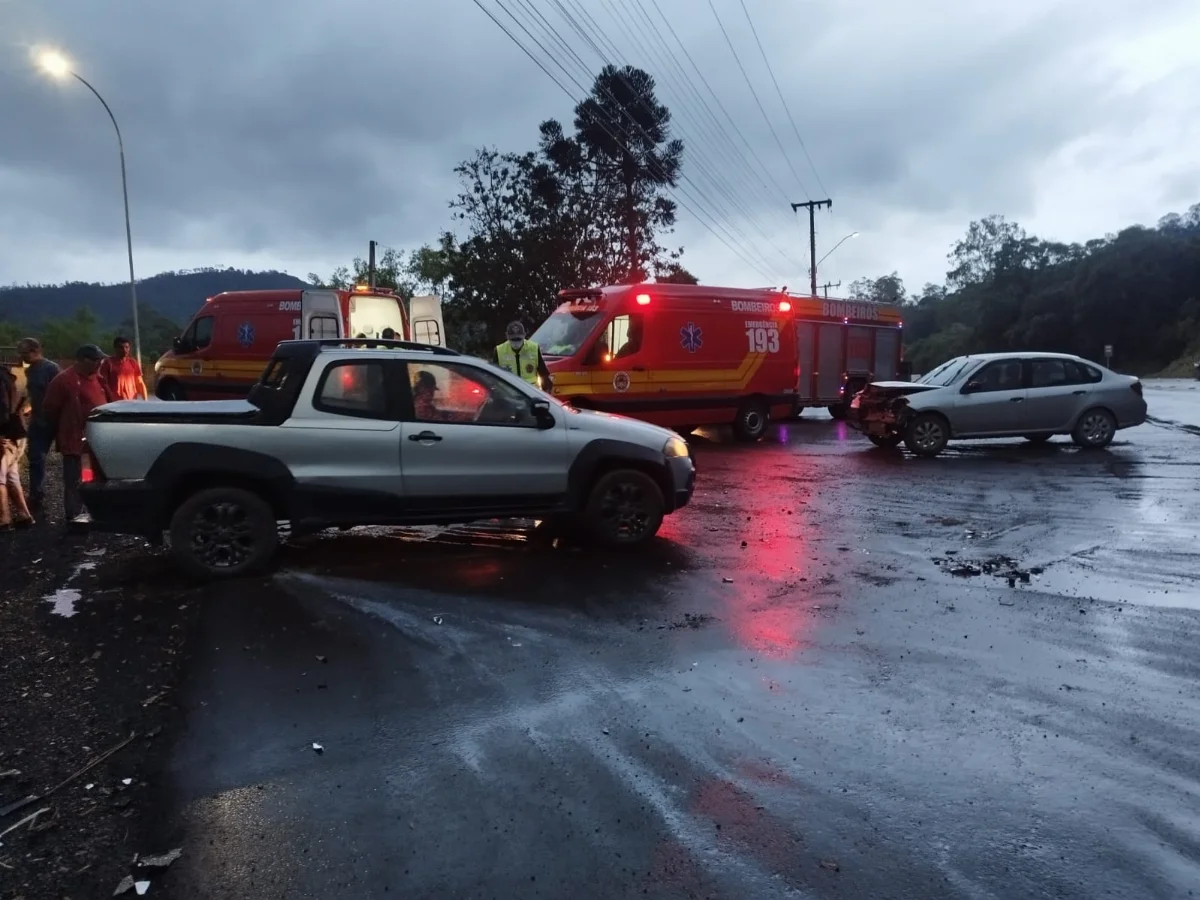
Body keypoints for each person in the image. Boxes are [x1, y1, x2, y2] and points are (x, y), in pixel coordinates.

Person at [43, 345, 113, 522]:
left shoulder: (98, 378)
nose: (100, 363)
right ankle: (74, 516)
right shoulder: (64, 380)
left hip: (99, 440)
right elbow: (50, 409)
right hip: (74, 440)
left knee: (99, 478)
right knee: (75, 479)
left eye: (101, 360)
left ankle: (98, 512)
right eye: (97, 360)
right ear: (83, 360)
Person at [16, 338, 61, 512]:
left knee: (70, 457)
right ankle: (36, 493)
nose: (22, 357)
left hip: (53, 419)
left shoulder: (51, 369)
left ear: (35, 350)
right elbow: (32, 395)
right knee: (35, 457)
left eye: (24, 353)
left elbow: (60, 394)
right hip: (37, 420)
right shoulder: (30, 371)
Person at [0, 364, 34, 531]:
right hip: (17, 432)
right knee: (11, 476)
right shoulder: (7, 376)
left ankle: (4, 520)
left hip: (5, 435)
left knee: (0, 478)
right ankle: (24, 515)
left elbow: (2, 408)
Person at [493, 321, 551, 389]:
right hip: (509, 394)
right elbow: (494, 376)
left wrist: (545, 393)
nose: (516, 343)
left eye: (518, 339)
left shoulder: (533, 348)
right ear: (507, 336)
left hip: (530, 394)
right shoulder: (499, 351)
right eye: (513, 339)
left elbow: (544, 374)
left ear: (524, 335)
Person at [98, 335, 148, 400]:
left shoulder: (133, 362)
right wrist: (110, 398)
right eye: (121, 347)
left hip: (132, 401)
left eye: (127, 347)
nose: (124, 350)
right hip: (115, 402)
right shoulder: (108, 363)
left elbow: (140, 383)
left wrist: (145, 400)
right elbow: (104, 384)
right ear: (115, 348)